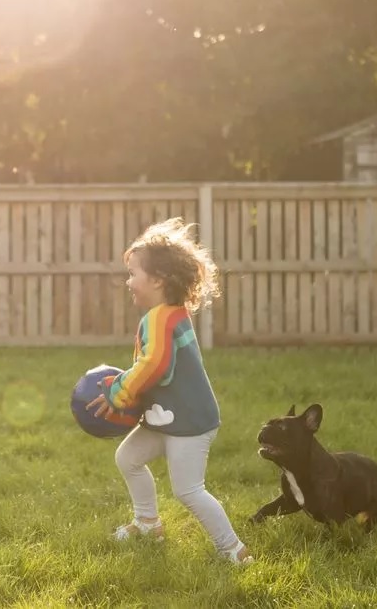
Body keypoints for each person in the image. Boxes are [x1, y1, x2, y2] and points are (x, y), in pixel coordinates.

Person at [86, 217, 253, 564]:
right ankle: (148, 522)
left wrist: (119, 391)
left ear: (158, 280)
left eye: (133, 274)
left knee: (188, 489)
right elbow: (154, 364)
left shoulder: (161, 318)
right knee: (128, 458)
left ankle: (233, 549)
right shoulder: (169, 313)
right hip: (167, 418)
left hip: (189, 422)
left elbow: (155, 365)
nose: (128, 281)